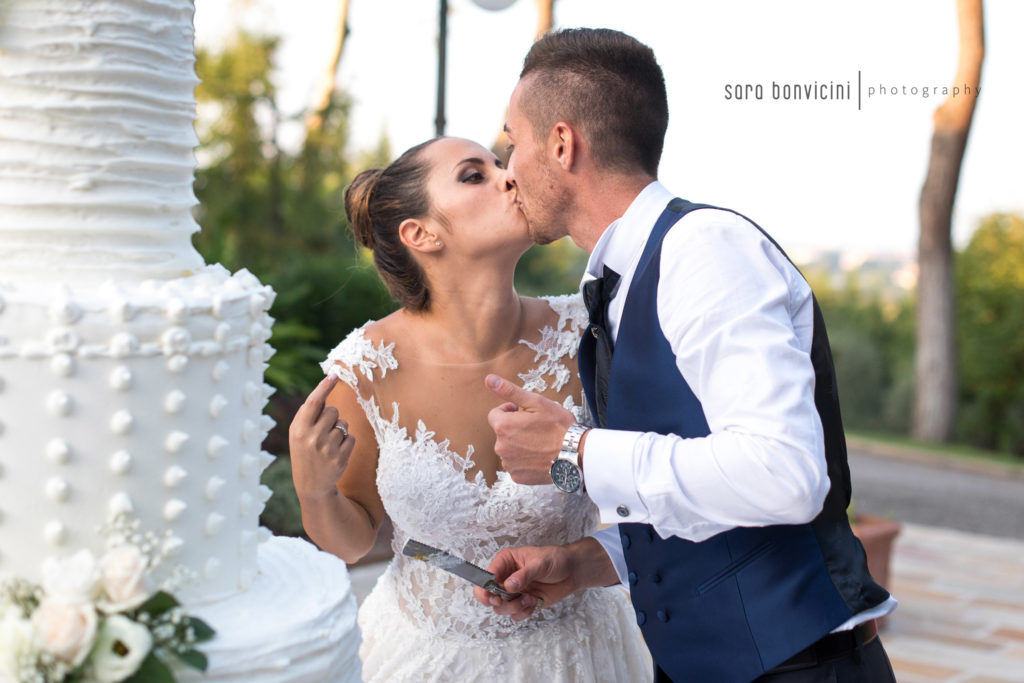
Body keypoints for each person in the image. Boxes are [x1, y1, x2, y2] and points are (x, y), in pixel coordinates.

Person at [474, 28, 899, 682]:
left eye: (512, 140)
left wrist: (574, 452)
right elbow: (697, 492)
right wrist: (585, 561)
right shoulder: (617, 282)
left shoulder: (703, 250)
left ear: (561, 144)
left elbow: (784, 472)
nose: (507, 168)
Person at [287, 136, 652, 682]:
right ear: (421, 234)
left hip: (580, 658)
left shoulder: (591, 335)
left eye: (500, 164)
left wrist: (586, 561)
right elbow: (353, 538)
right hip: (422, 661)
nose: (510, 176)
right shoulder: (367, 368)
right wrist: (314, 489)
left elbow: (659, 488)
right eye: (473, 175)